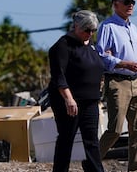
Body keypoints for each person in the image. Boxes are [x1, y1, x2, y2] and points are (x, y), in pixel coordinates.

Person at [96, 0, 137, 172]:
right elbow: (101, 56)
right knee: (115, 130)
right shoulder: (107, 26)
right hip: (117, 82)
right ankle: (92, 162)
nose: (131, 5)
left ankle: (135, 168)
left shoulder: (133, 28)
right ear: (115, 4)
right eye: (126, 2)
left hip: (136, 83)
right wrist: (123, 63)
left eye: (133, 1)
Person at [48, 10, 105, 172]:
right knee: (66, 139)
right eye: (87, 30)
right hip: (69, 101)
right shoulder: (63, 45)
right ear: (76, 27)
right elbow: (59, 75)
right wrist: (69, 99)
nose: (90, 33)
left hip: (90, 101)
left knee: (92, 141)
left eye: (93, 31)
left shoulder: (91, 46)